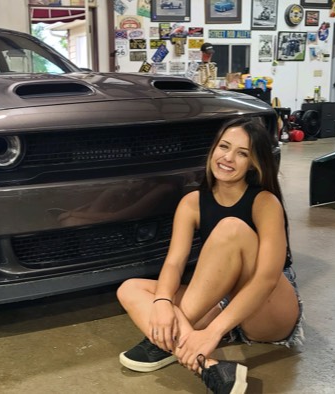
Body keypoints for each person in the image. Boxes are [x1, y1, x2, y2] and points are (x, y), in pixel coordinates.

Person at [116, 117, 304, 394]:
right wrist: (163, 302)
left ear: (254, 163)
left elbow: (266, 279)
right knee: (129, 289)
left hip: (269, 309)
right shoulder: (192, 203)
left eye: (242, 154)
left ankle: (164, 341)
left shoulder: (264, 202)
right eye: (224, 147)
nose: (228, 158)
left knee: (231, 229)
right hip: (223, 304)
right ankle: (208, 366)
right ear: (213, 149)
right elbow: (174, 262)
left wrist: (213, 332)